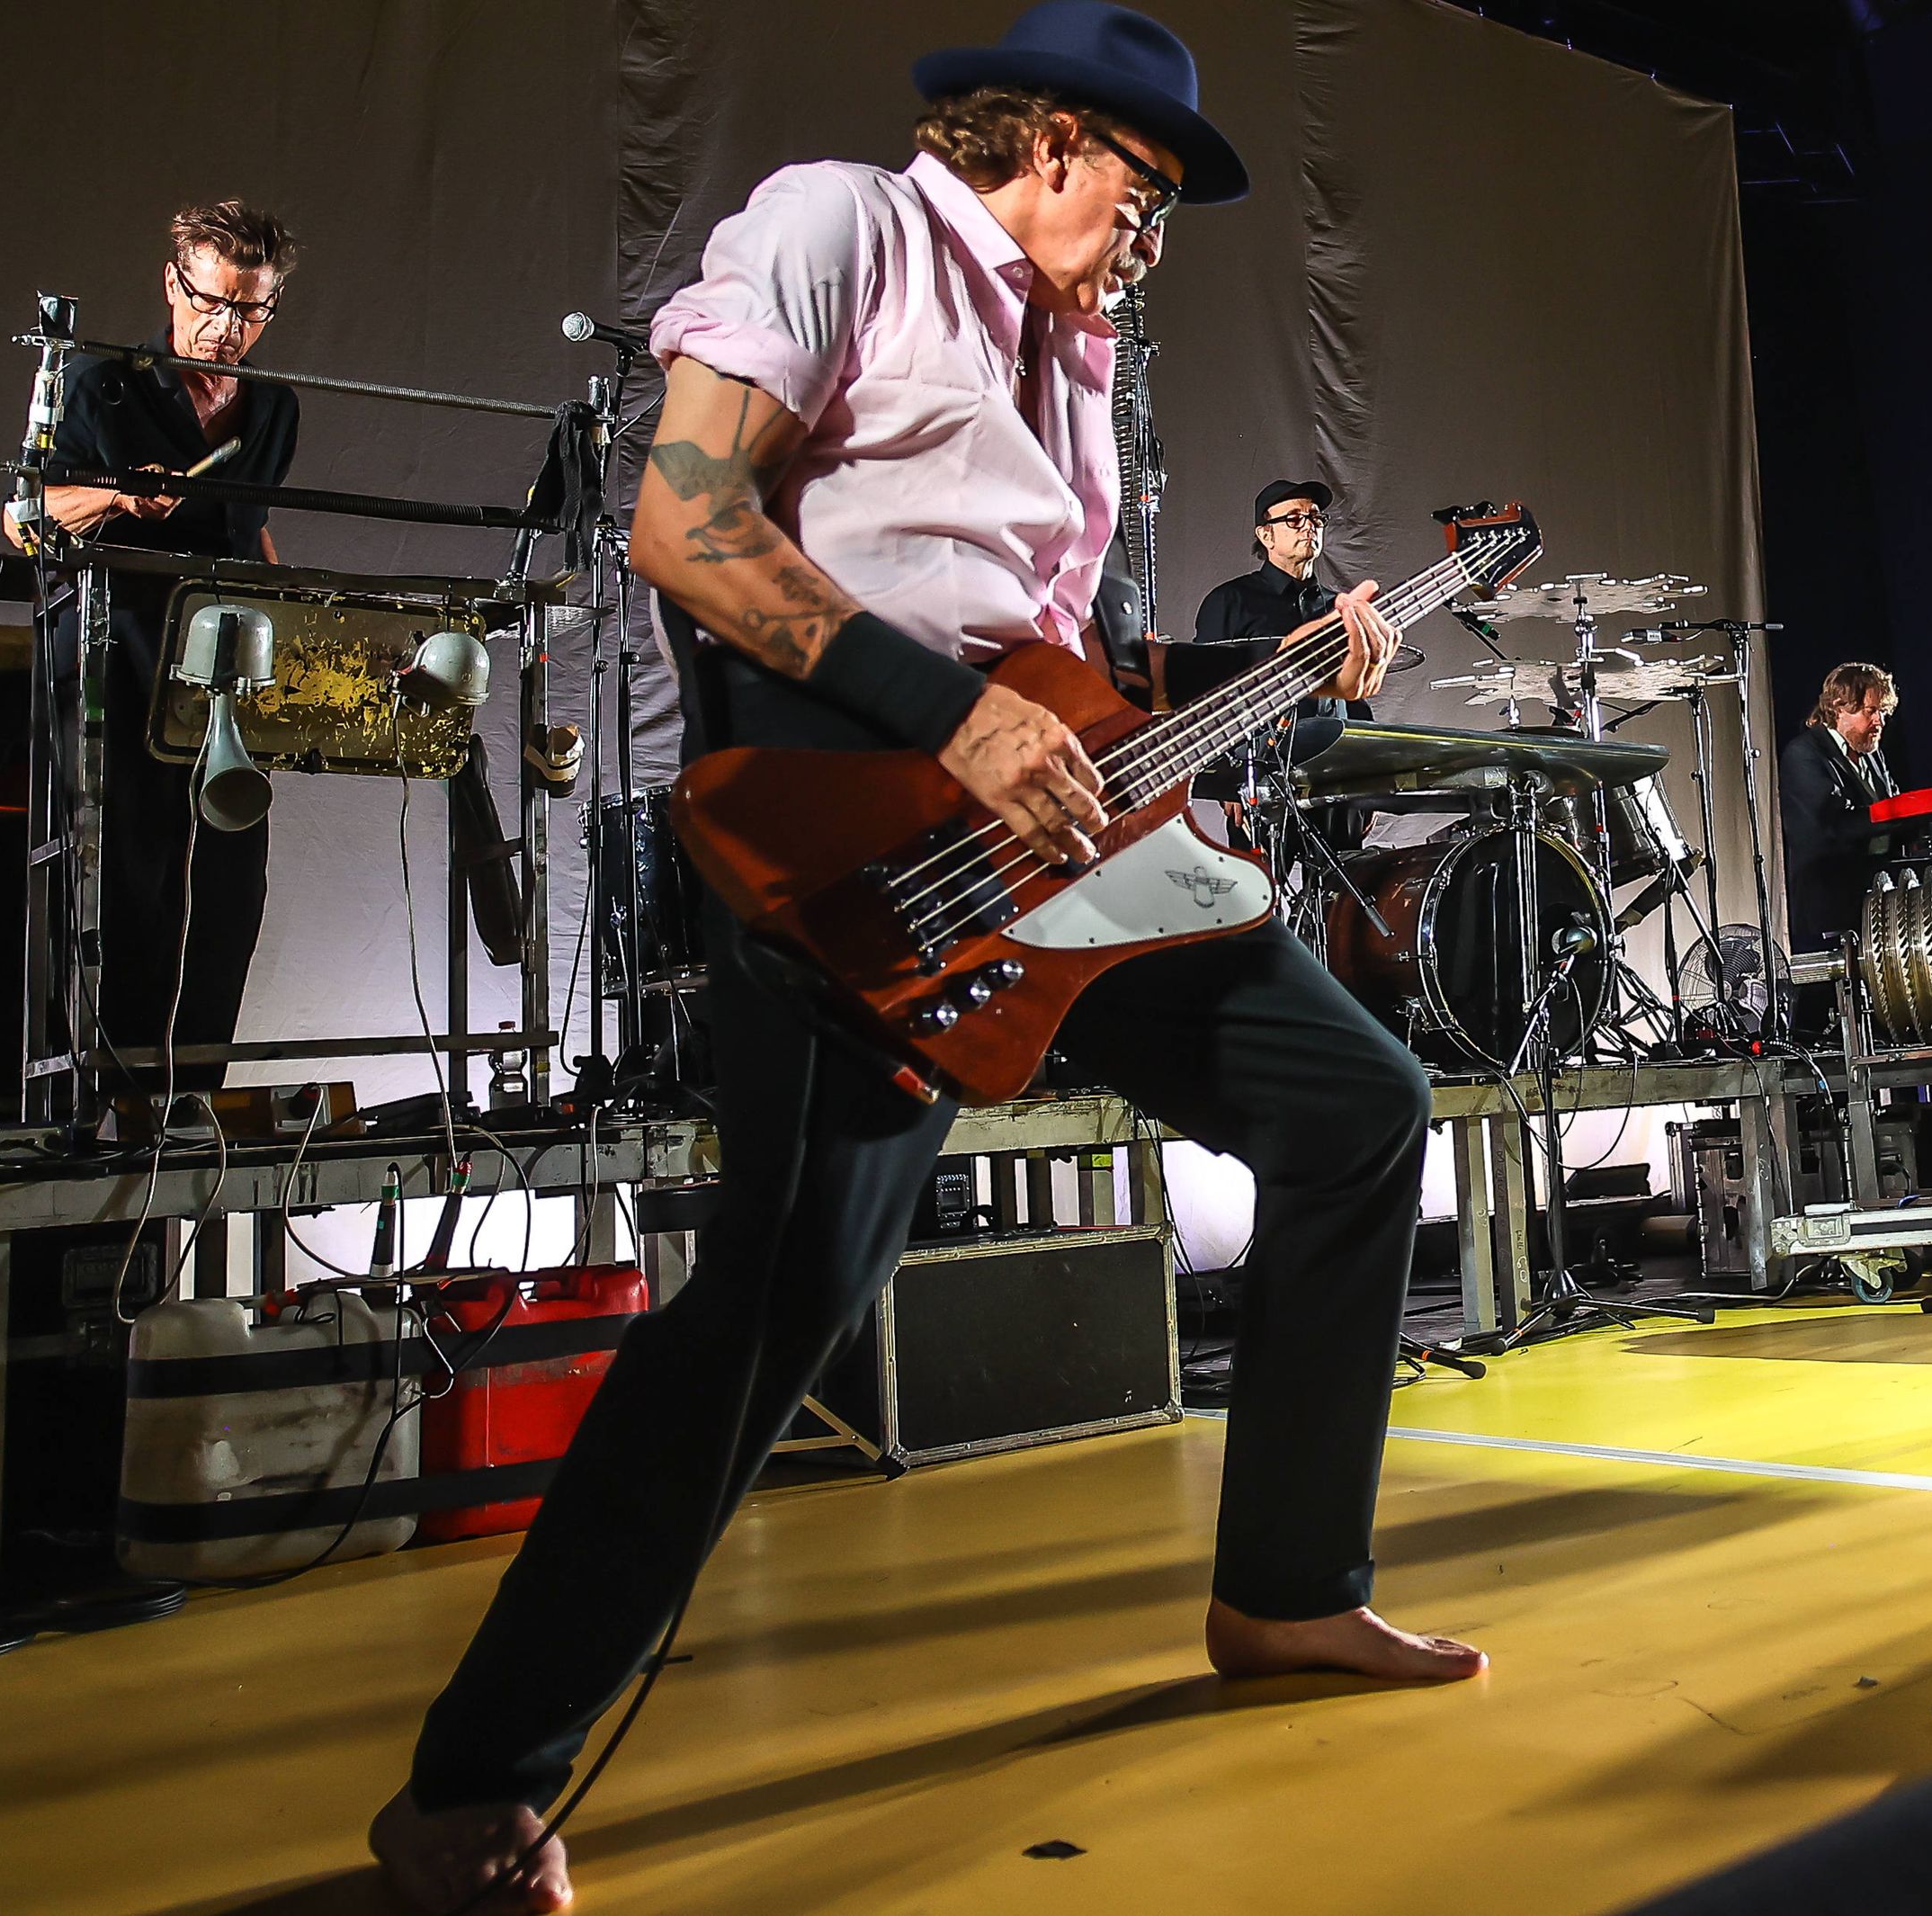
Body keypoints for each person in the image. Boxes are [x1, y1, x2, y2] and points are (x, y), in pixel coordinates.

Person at [370, 10, 1480, 1910]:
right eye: (1145, 198)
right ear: (1052, 143)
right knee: (784, 1296)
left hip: (1055, 847)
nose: (1151, 242)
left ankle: (1291, 1590)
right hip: (853, 836)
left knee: (1360, 1109)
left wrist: (1277, 669)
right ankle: (475, 1778)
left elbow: (1056, 667)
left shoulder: (1076, 360)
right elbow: (687, 526)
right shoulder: (841, 226)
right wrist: (946, 718)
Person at [16, 201, 304, 1089]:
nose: (226, 327)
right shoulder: (101, 384)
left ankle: (195, 1101)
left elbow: (249, 531)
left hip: (227, 673)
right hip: (124, 658)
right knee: (136, 884)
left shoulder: (273, 408)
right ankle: (117, 1096)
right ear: (173, 284)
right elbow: (27, 515)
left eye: (249, 309)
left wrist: (299, 623)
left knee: (232, 887)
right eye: (211, 302)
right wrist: (116, 496)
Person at [1186, 478, 1355, 715]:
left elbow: (1353, 693)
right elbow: (1203, 690)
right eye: (1294, 519)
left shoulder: (1339, 606)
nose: (1310, 527)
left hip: (1336, 737)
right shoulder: (1230, 601)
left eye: (1315, 518)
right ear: (1266, 536)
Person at [1780, 661, 1898, 951]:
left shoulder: (1872, 755)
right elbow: (1833, 825)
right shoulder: (1803, 754)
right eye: (1870, 711)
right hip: (1830, 912)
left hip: (1876, 904)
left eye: (1882, 712)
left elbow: (1892, 805)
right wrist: (1897, 816)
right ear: (1838, 708)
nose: (1880, 721)